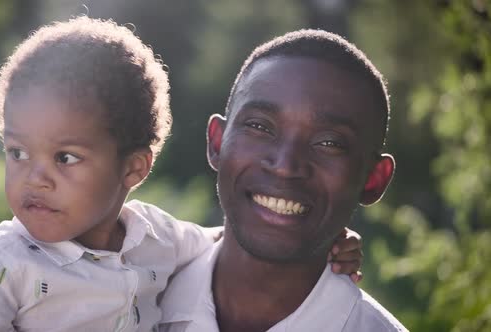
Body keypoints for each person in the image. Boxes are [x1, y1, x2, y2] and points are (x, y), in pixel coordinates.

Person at [0, 18, 363, 332]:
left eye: (65, 158)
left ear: (133, 168)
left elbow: (223, 239)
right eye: (17, 151)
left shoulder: (155, 239)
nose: (35, 178)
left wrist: (322, 246)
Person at [159, 30, 408, 332]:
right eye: (259, 126)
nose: (285, 166)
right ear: (217, 143)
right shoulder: (129, 292)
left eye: (329, 143)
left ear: (373, 179)